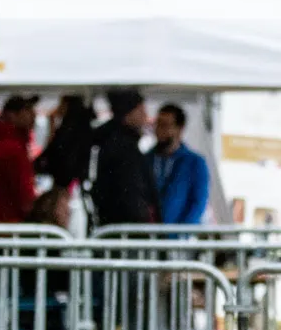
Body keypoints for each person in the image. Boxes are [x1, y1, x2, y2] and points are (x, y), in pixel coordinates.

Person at [89, 88, 158, 230]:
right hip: (128, 232)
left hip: (116, 228)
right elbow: (131, 194)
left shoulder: (113, 143)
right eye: (140, 110)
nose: (145, 116)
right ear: (127, 114)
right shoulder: (123, 149)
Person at [0, 94, 39, 224]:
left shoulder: (10, 144)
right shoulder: (11, 148)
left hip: (6, 220)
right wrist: (33, 211)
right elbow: (22, 189)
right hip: (12, 222)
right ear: (12, 115)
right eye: (27, 110)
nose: (33, 115)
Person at [152, 102, 210, 226]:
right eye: (157, 124)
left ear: (179, 129)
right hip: (148, 236)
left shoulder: (195, 163)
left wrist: (182, 234)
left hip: (178, 237)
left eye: (165, 125)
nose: (158, 130)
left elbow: (198, 203)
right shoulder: (146, 159)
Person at [36, 94, 95, 195]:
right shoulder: (82, 126)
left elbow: (52, 154)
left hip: (66, 182)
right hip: (73, 181)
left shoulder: (68, 130)